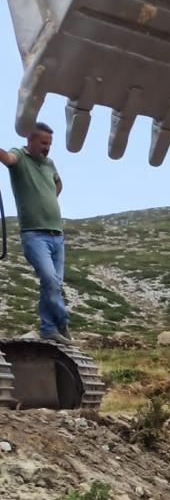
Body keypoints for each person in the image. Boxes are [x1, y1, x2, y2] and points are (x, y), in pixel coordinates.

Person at [0, 122, 70, 340]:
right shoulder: (19, 156)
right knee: (50, 280)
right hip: (34, 235)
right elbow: (8, 159)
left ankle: (49, 329)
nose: (47, 147)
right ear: (30, 141)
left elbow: (59, 184)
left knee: (52, 285)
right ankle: (63, 321)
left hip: (57, 235)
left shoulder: (50, 164)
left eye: (49, 144)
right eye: (43, 143)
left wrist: (47, 197)